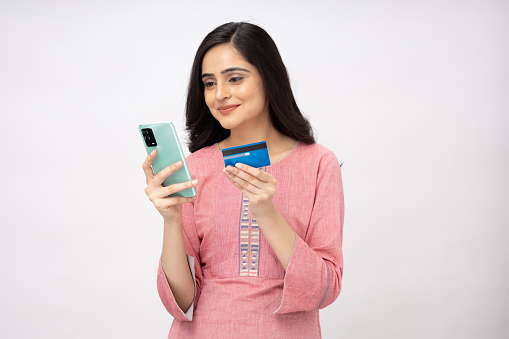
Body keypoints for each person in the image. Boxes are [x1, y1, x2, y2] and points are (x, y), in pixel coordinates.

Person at [142, 22, 344, 339]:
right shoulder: (197, 166)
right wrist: (171, 219)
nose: (220, 94)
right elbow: (181, 303)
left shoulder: (318, 163)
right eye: (209, 83)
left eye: (235, 78)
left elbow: (324, 289)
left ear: (269, 79)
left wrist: (266, 212)